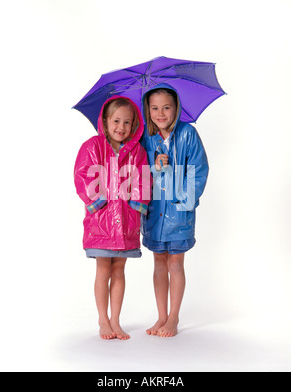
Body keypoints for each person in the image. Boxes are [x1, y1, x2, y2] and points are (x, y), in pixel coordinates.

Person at [74, 96, 151, 340]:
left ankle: (116, 320)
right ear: (105, 122)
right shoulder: (92, 147)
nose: (121, 127)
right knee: (103, 270)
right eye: (116, 121)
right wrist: (98, 203)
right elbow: (81, 175)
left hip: (126, 222)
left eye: (127, 122)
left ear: (134, 125)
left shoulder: (137, 151)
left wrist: (136, 206)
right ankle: (102, 320)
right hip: (102, 222)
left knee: (119, 270)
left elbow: (143, 180)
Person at [141, 84, 209, 337]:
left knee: (176, 263)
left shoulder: (187, 134)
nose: (161, 113)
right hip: (154, 212)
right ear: (147, 110)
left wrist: (184, 202)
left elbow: (199, 171)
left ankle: (173, 318)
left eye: (166, 107)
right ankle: (161, 316)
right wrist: (154, 166)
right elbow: (137, 172)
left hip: (180, 212)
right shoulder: (146, 137)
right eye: (155, 108)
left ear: (176, 108)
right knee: (159, 262)